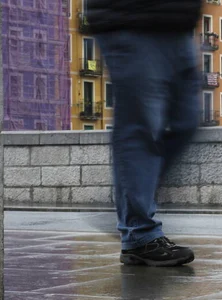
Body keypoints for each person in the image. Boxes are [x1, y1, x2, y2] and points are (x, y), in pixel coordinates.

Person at [87, 0, 203, 266]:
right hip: (129, 19)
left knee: (186, 122)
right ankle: (139, 233)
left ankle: (131, 202)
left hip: (178, 22)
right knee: (141, 128)